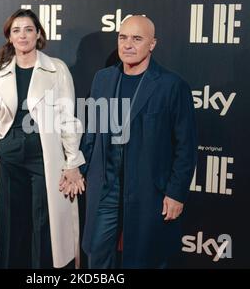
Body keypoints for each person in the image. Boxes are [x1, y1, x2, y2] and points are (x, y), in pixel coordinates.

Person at [78, 15, 197, 268]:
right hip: (105, 188)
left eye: (137, 38)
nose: (128, 44)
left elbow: (185, 147)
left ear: (152, 44)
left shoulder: (172, 85)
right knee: (96, 253)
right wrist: (79, 167)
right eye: (123, 37)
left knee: (145, 258)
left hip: (149, 190)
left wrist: (176, 193)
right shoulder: (103, 79)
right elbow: (92, 132)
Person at [0, 9, 85, 269]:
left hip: (44, 153)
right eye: (16, 30)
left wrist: (72, 161)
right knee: (11, 222)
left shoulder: (56, 69)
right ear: (9, 38)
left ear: (38, 34)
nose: (22, 35)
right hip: (10, 150)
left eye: (28, 29)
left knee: (43, 222)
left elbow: (67, 117)